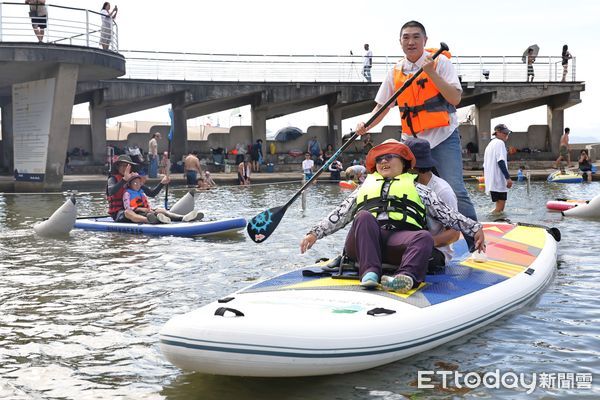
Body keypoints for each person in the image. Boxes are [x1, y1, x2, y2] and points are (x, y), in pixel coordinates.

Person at [355, 20, 479, 251]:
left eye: (415, 37)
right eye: (406, 37)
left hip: (443, 135)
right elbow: (381, 107)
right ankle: (409, 243)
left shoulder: (440, 62)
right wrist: (366, 125)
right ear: (400, 41)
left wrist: (431, 72)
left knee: (455, 189)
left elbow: (455, 98)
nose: (410, 41)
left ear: (425, 40)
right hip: (411, 141)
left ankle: (476, 245)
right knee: (405, 189)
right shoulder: (396, 72)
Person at [300, 139, 485, 293]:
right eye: (379, 159)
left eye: (389, 156)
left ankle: (405, 277)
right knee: (363, 217)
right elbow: (339, 213)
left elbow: (449, 215)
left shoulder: (421, 190)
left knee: (424, 236)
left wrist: (475, 228)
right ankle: (369, 273)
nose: (383, 161)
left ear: (404, 162)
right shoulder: (364, 188)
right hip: (365, 242)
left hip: (398, 242)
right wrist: (314, 233)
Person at [405, 138, 460, 272]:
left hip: (434, 250)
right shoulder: (404, 185)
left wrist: (425, 243)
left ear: (412, 166)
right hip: (407, 244)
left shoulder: (442, 191)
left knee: (418, 258)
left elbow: (454, 233)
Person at [106, 155, 169, 223]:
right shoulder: (112, 179)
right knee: (128, 212)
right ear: (117, 167)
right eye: (122, 165)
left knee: (158, 210)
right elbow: (111, 191)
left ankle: (177, 217)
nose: (124, 168)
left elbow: (151, 193)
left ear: (130, 167)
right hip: (119, 213)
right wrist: (124, 180)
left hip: (136, 210)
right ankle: (151, 221)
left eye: (127, 166)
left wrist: (162, 183)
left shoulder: (133, 179)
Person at [122, 174, 199, 224]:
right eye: (135, 183)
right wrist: (140, 209)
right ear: (129, 184)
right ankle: (158, 220)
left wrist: (162, 183)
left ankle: (182, 218)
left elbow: (152, 193)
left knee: (161, 210)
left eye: (139, 183)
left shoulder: (141, 192)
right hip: (138, 212)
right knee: (150, 214)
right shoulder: (127, 194)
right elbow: (127, 207)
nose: (138, 185)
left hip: (147, 210)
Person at [483, 124, 513, 214]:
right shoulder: (500, 143)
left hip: (492, 181)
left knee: (498, 207)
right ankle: (491, 221)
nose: (506, 135)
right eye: (504, 133)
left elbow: (484, 165)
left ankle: (491, 218)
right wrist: (508, 178)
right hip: (499, 181)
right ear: (497, 133)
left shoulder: (490, 144)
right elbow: (501, 161)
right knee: (500, 209)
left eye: (507, 133)